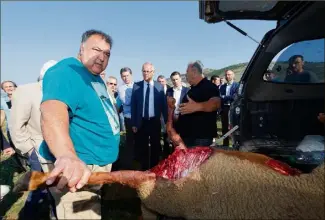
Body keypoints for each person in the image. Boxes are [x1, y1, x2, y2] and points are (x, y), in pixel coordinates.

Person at [38, 29, 120, 219]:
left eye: (106, 53)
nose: (101, 57)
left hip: (95, 166)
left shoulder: (94, 77)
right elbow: (52, 112)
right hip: (79, 170)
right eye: (96, 50)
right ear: (81, 48)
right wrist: (67, 155)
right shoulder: (68, 71)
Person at [9, 60, 58, 219]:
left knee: (57, 189)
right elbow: (16, 125)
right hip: (38, 150)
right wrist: (30, 150)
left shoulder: (60, 90)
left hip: (59, 150)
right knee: (39, 189)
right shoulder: (26, 91)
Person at [131, 62, 167, 170]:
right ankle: (145, 169)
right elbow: (134, 105)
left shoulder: (159, 87)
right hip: (141, 121)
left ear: (153, 72)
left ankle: (155, 168)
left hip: (154, 121)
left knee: (155, 145)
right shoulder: (137, 86)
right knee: (143, 146)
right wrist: (134, 123)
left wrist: (166, 122)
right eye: (144, 71)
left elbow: (163, 106)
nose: (145, 73)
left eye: (148, 71)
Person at [177, 61, 221, 147]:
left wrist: (197, 106)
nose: (185, 75)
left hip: (200, 139)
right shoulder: (193, 88)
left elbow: (216, 103)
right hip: (189, 136)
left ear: (194, 71)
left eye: (187, 72)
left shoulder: (208, 86)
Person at [117, 67, 135, 169]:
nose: (125, 78)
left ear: (131, 75)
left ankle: (139, 158)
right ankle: (130, 163)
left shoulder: (137, 86)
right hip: (128, 118)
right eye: (123, 76)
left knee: (140, 139)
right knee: (130, 140)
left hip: (139, 117)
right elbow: (125, 101)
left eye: (127, 75)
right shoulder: (121, 89)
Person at [219, 70, 240, 146]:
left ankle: (235, 144)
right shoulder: (222, 86)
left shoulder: (237, 85)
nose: (227, 76)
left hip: (233, 109)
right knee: (224, 128)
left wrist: (225, 97)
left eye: (229, 74)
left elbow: (235, 97)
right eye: (226, 75)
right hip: (224, 108)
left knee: (233, 127)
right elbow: (220, 98)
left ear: (233, 75)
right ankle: (225, 145)